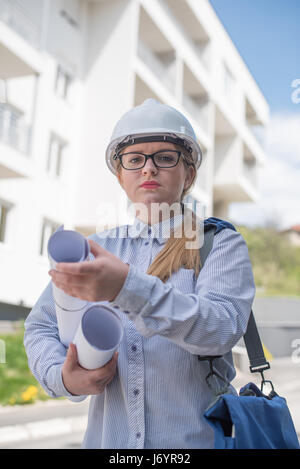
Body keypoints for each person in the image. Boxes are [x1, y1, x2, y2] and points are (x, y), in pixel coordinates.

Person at [24, 98, 256, 449]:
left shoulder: (219, 244)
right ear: (120, 176)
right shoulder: (95, 248)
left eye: (165, 157)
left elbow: (220, 329)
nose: (148, 169)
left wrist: (126, 288)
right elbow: (41, 325)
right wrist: (64, 377)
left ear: (188, 174)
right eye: (134, 160)